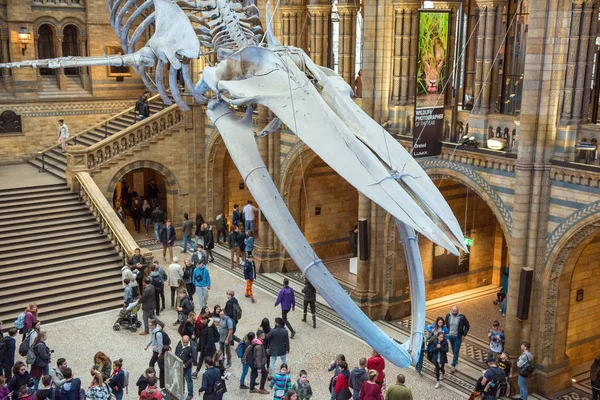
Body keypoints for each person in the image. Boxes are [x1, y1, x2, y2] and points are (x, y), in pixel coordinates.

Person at [445, 305, 470, 372]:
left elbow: (467, 326)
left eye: (456, 311)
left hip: (458, 336)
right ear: (451, 310)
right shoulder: (448, 316)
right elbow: (446, 325)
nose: (455, 312)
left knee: (456, 350)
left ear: (458, 310)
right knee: (453, 349)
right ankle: (455, 359)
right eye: (453, 311)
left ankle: (453, 365)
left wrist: (464, 335)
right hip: (450, 336)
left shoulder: (462, 317)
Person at [248, 330, 269, 394]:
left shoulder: (255, 342)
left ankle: (252, 388)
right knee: (264, 375)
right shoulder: (259, 346)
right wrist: (259, 367)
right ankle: (261, 388)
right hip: (259, 364)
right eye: (263, 335)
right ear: (260, 336)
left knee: (253, 374)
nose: (264, 336)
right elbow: (258, 357)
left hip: (254, 363)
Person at [175, 335, 195, 400]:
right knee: (181, 379)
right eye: (184, 342)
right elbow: (176, 353)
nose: (185, 344)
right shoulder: (179, 344)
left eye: (186, 342)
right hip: (179, 366)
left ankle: (190, 394)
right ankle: (182, 391)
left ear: (189, 340)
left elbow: (193, 358)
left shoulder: (192, 347)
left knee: (189, 380)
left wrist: (185, 365)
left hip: (187, 367)